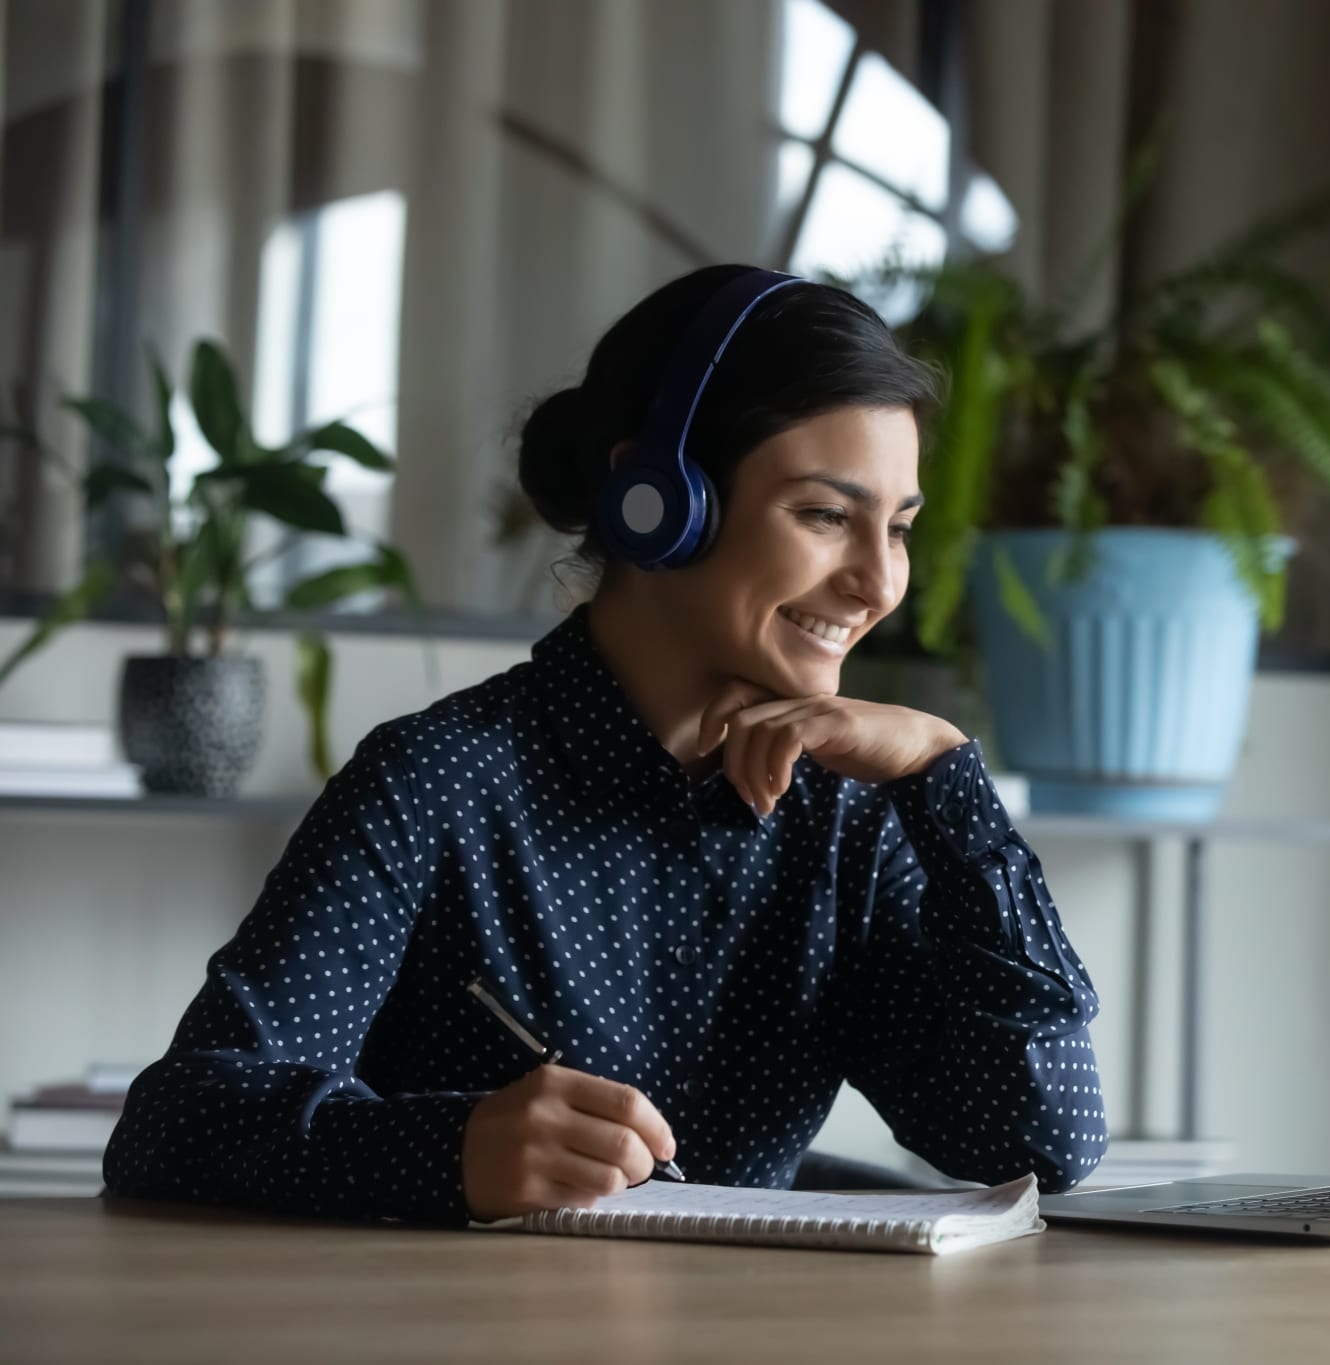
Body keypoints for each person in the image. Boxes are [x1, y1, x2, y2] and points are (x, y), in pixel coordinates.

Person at [102, 265, 1108, 1224]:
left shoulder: (851, 814)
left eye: (897, 528)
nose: (878, 583)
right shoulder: (436, 782)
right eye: (823, 516)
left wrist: (944, 775)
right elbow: (175, 1127)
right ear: (657, 502)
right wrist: (450, 1152)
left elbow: (1043, 1138)